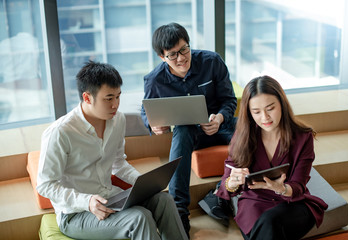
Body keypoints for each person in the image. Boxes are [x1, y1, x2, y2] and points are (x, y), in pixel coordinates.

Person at [37, 61, 188, 240]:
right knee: (139, 218)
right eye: (108, 98)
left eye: (118, 96)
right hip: (75, 215)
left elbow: (118, 164)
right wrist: (87, 201)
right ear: (87, 98)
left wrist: (143, 184)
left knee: (163, 200)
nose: (115, 104)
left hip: (111, 198)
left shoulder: (118, 120)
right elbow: (45, 185)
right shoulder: (60, 132)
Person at [140, 22, 238, 235]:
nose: (181, 58)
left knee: (251, 131)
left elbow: (229, 100)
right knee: (182, 131)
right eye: (172, 55)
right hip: (189, 133)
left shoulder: (212, 62)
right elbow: (145, 111)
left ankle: (219, 195)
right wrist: (153, 125)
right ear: (162, 57)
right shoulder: (154, 79)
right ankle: (179, 211)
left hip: (220, 125)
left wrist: (220, 117)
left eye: (185, 49)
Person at [216, 75, 328, 240]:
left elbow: (298, 186)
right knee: (266, 225)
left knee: (269, 222)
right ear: (249, 112)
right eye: (256, 112)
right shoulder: (243, 136)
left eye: (270, 108)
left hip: (293, 202)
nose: (265, 117)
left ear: (282, 104)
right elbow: (227, 181)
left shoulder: (303, 137)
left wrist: (280, 188)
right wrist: (232, 183)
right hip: (254, 204)